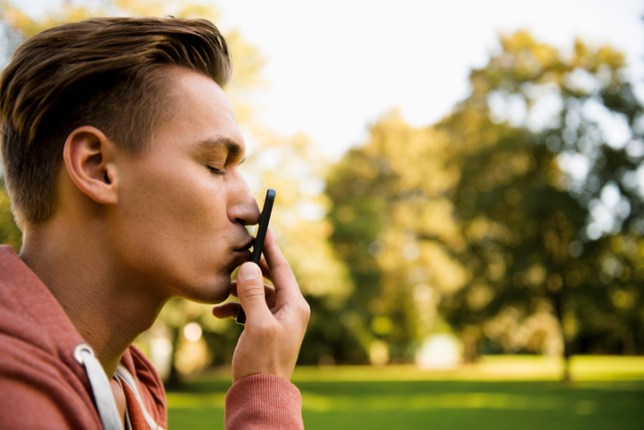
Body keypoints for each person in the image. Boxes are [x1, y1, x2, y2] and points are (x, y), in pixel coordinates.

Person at [0, 16, 310, 429]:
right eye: (216, 166)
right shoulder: (13, 392)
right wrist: (265, 393)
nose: (250, 209)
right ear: (97, 168)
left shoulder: (132, 387)